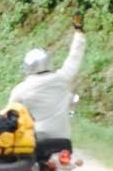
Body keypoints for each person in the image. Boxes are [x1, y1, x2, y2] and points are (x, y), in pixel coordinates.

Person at [7, 13, 86, 146]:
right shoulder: (63, 78)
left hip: (36, 140)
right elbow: (75, 56)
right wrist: (79, 32)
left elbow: (10, 115)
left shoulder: (21, 90)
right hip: (63, 138)